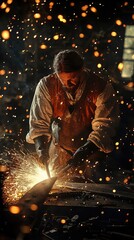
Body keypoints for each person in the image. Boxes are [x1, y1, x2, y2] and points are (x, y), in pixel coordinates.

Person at [26, 49, 120, 182]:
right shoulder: (47, 85)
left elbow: (105, 127)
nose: (67, 84)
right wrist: (41, 150)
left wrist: (84, 152)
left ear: (82, 70)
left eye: (72, 79)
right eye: (62, 79)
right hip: (59, 153)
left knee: (92, 195)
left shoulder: (101, 87)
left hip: (91, 156)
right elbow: (39, 122)